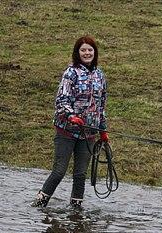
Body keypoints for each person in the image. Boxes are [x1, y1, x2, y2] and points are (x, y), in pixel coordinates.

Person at [33, 35, 109, 208]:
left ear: (94, 52)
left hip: (89, 133)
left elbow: (101, 104)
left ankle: (76, 210)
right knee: (59, 171)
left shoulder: (100, 75)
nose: (87, 53)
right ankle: (39, 203)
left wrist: (102, 129)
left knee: (80, 174)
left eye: (90, 50)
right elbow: (62, 100)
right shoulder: (71, 73)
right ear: (77, 52)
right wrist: (71, 116)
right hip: (67, 130)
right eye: (83, 50)